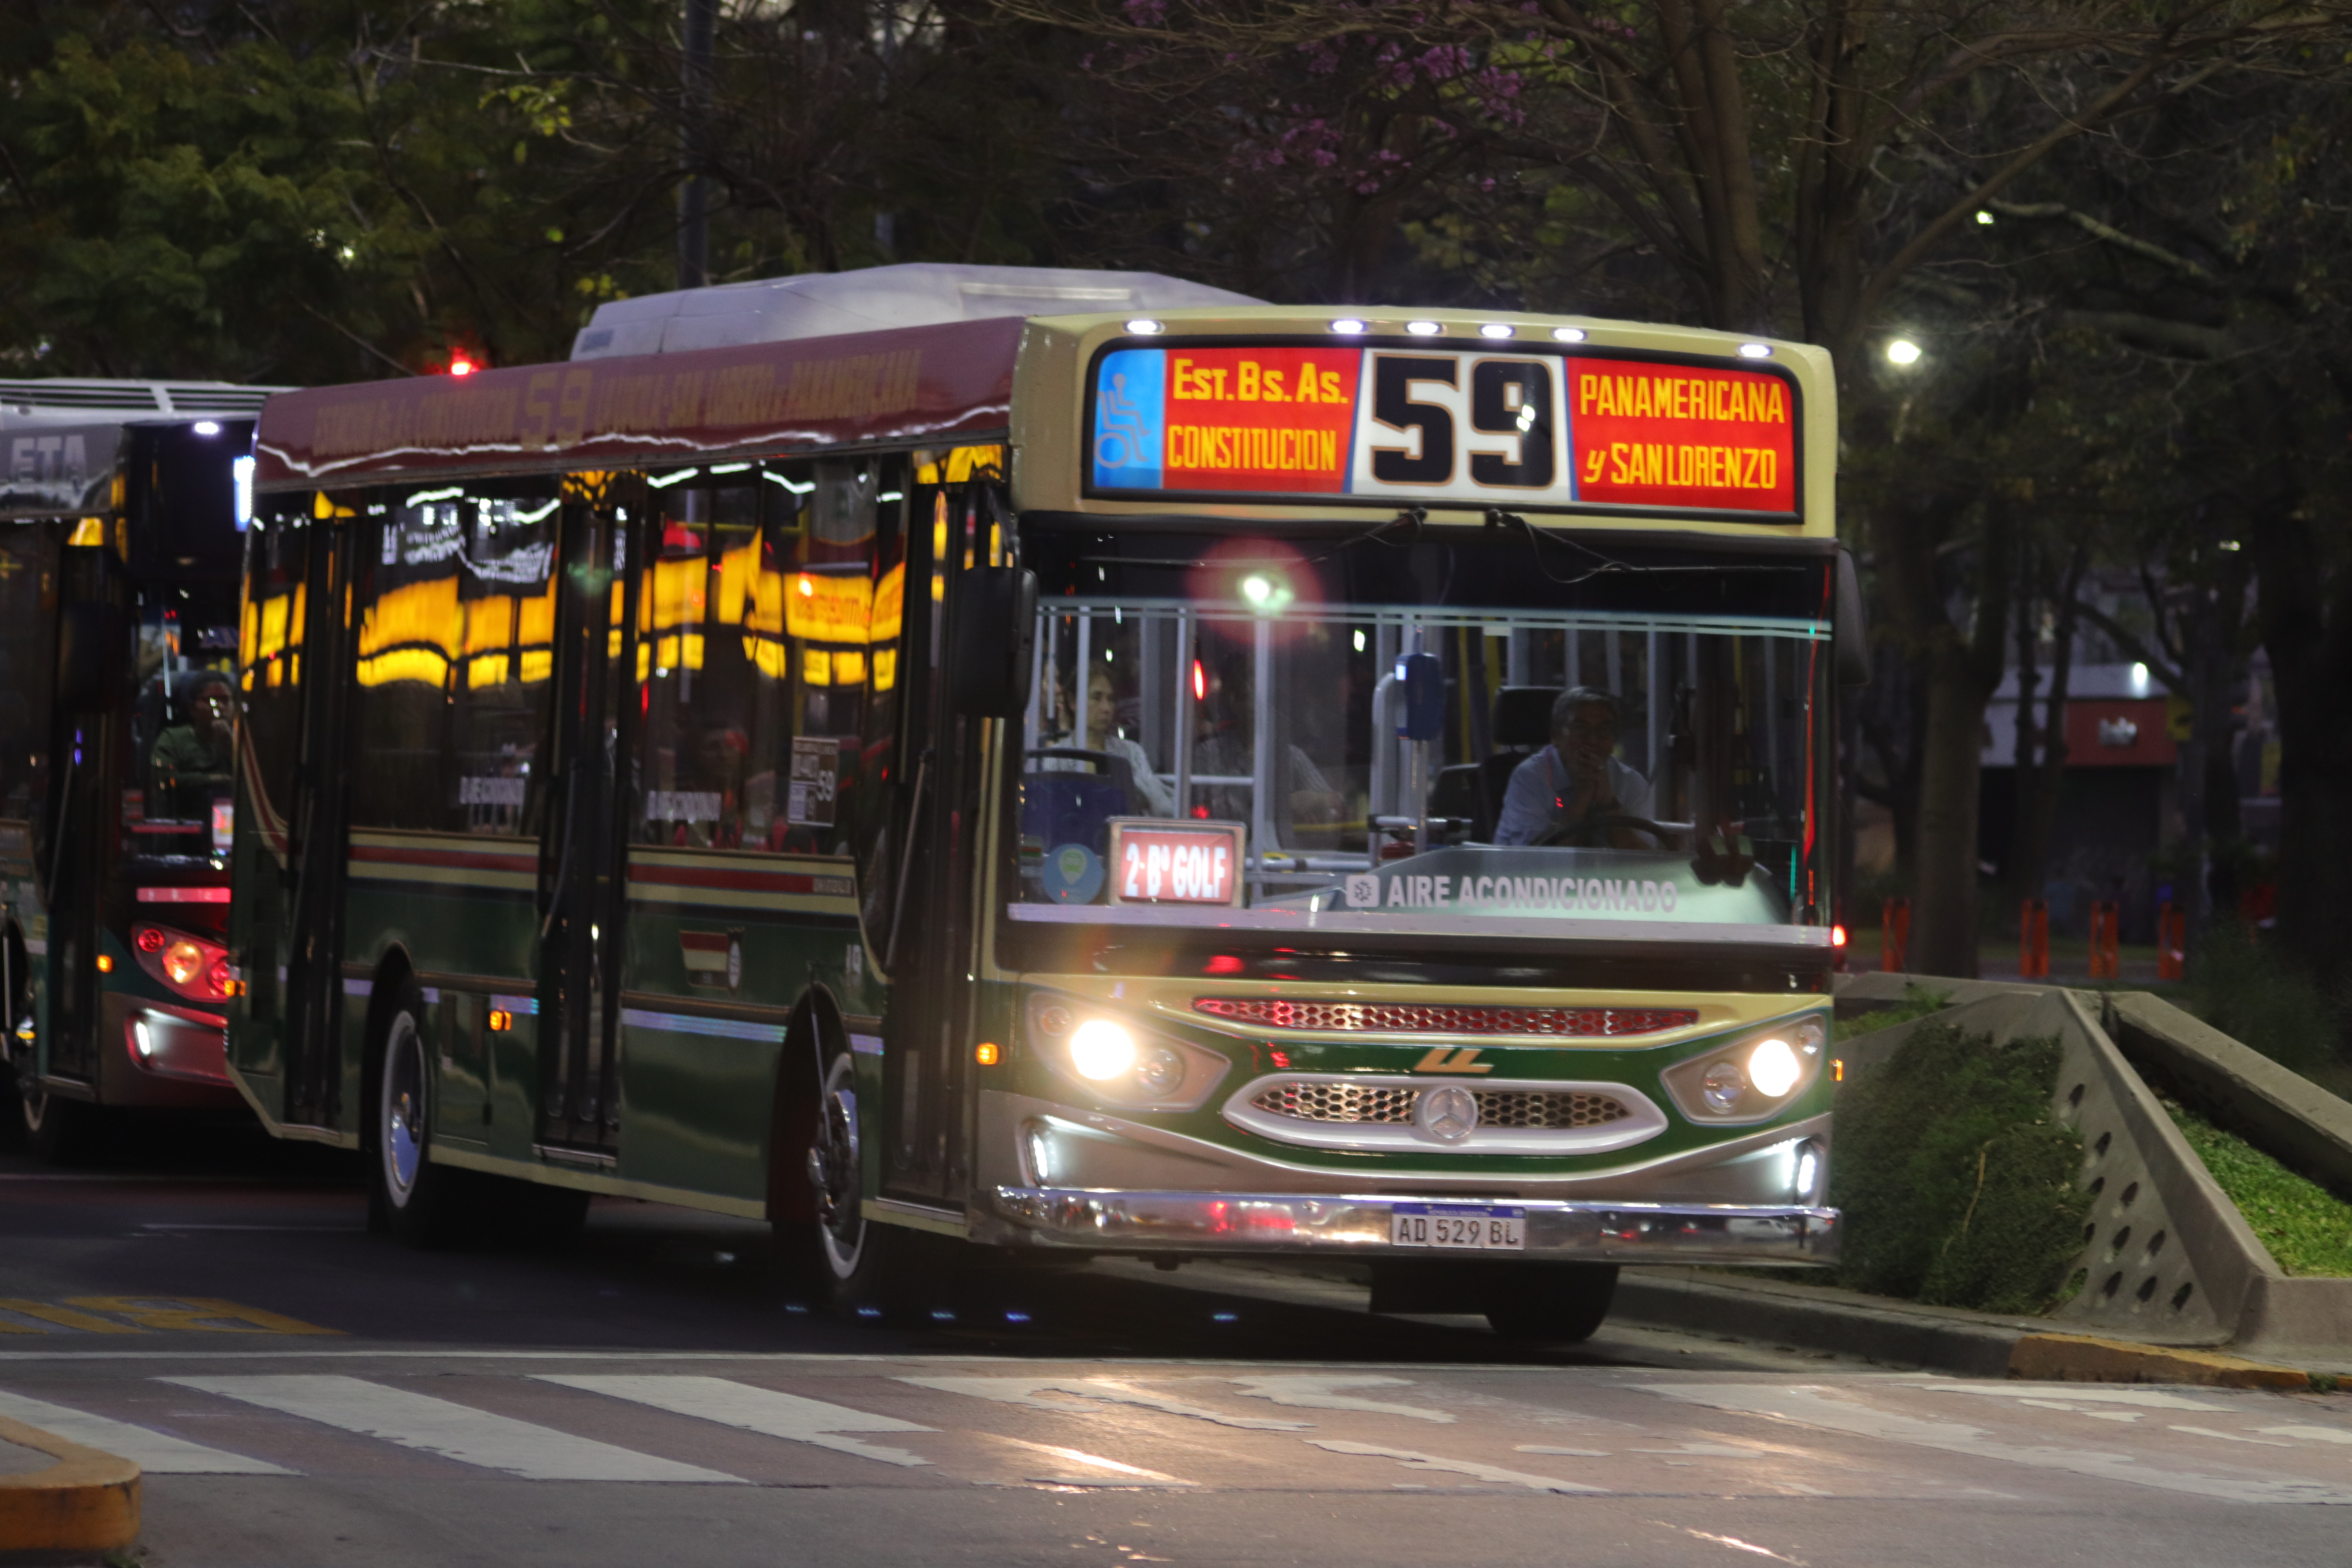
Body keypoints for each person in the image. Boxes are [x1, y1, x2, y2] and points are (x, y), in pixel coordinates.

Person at [1493, 687, 1656, 848]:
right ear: (1556, 736)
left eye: (1603, 730)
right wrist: (1583, 797)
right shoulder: (1530, 777)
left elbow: (1647, 862)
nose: (1593, 740)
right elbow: (1539, 862)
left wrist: (1609, 805)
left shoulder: (1631, 781)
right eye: (1581, 728)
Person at [149, 670, 236, 821]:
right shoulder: (172, 740)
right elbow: (163, 780)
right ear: (192, 709)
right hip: (187, 822)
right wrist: (217, 779)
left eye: (226, 701)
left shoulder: (242, 741)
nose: (220, 708)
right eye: (212, 701)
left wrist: (231, 748)